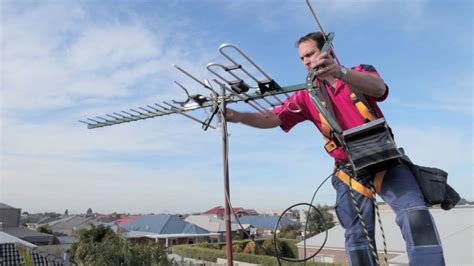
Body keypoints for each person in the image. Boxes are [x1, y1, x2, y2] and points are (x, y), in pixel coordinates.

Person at [226, 32, 445, 266]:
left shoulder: (359, 72)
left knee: (415, 216)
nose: (307, 61)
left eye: (310, 54)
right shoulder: (306, 95)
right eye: (302, 58)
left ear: (328, 50)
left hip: (385, 161)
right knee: (357, 237)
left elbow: (379, 88)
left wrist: (340, 73)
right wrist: (237, 116)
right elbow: (272, 118)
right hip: (349, 171)